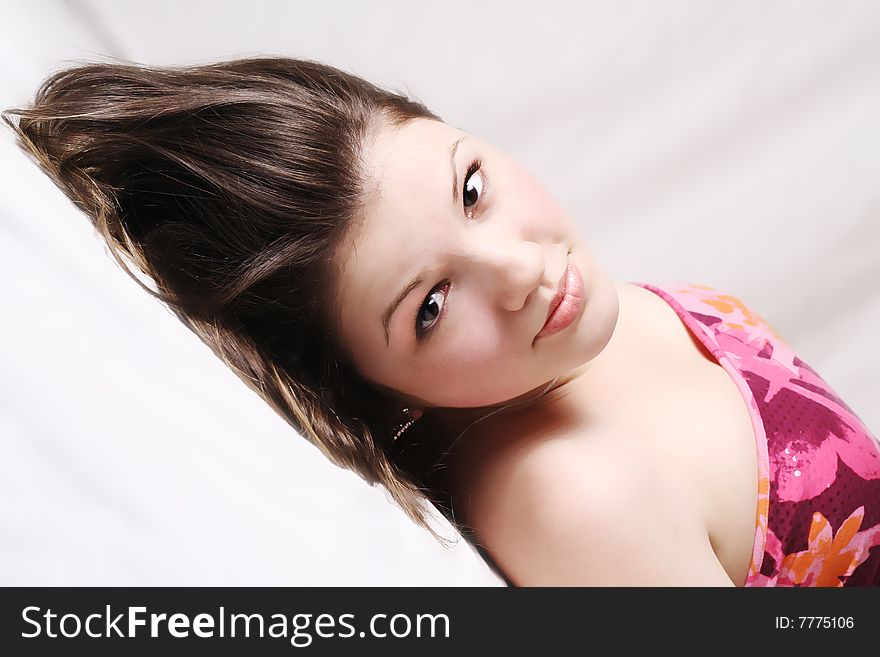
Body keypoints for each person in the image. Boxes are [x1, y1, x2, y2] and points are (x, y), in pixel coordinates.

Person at [4, 55, 879, 587]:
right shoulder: (567, 494)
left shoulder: (569, 343)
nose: (520, 270)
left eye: (470, 187)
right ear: (373, 388)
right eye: (428, 307)